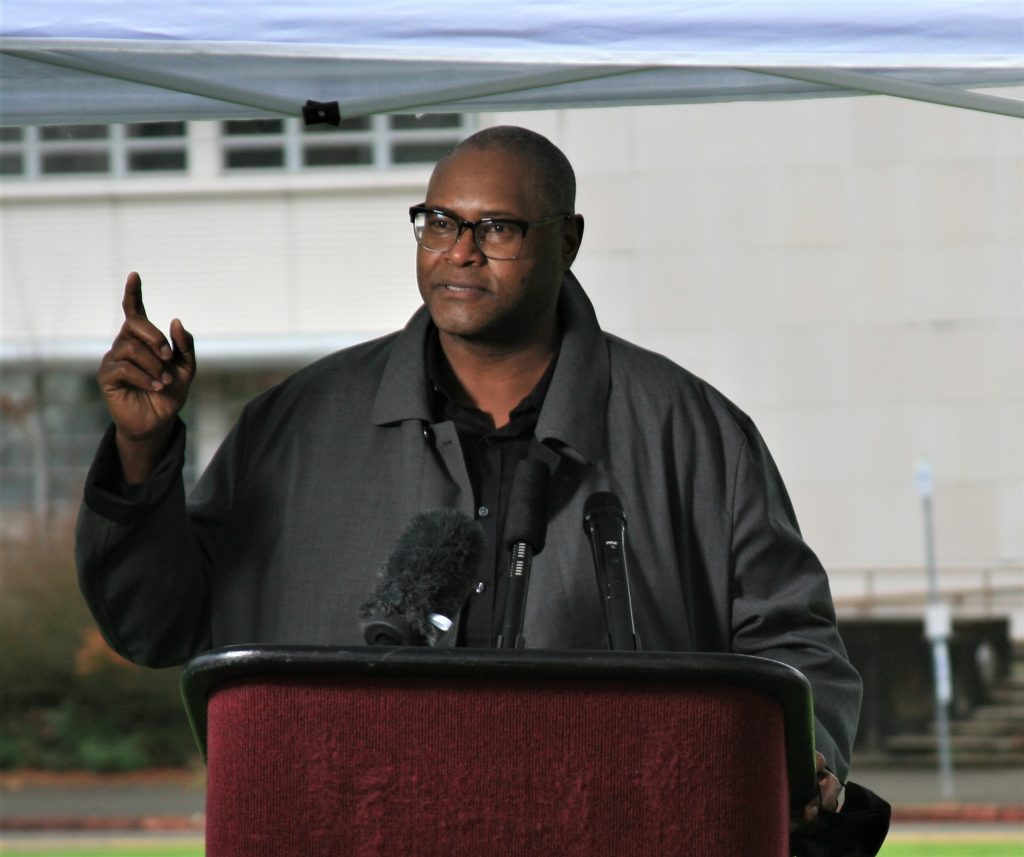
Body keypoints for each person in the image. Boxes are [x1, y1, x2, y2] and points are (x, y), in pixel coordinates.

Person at [76, 125, 859, 825]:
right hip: (358, 831)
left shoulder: (691, 430)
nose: (460, 249)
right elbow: (156, 626)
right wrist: (142, 454)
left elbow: (793, 643)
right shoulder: (294, 424)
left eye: (497, 227)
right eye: (440, 222)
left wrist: (807, 757)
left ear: (570, 240)